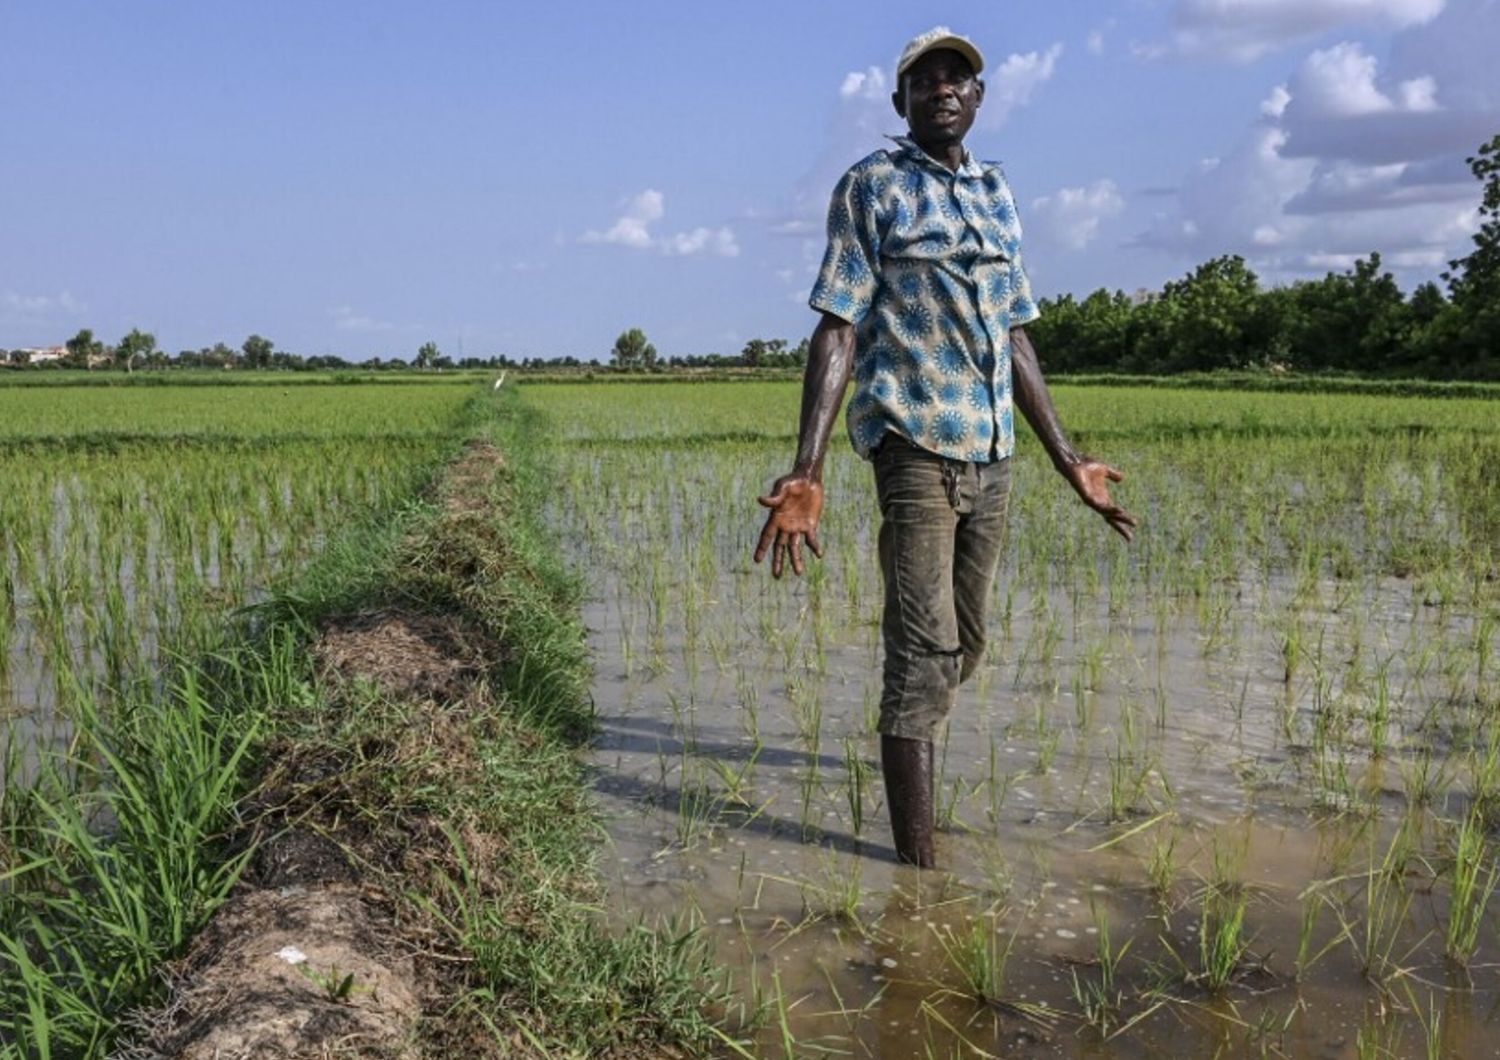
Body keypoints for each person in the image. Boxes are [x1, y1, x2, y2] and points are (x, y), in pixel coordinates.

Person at [754, 27, 1137, 868]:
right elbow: (838, 325)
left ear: (980, 98)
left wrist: (1069, 459)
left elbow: (1017, 339)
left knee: (967, 643)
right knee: (923, 658)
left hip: (992, 455)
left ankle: (909, 733)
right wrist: (807, 468)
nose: (943, 90)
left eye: (958, 78)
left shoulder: (998, 194)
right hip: (913, 446)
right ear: (901, 102)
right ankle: (917, 879)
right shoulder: (872, 186)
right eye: (924, 81)